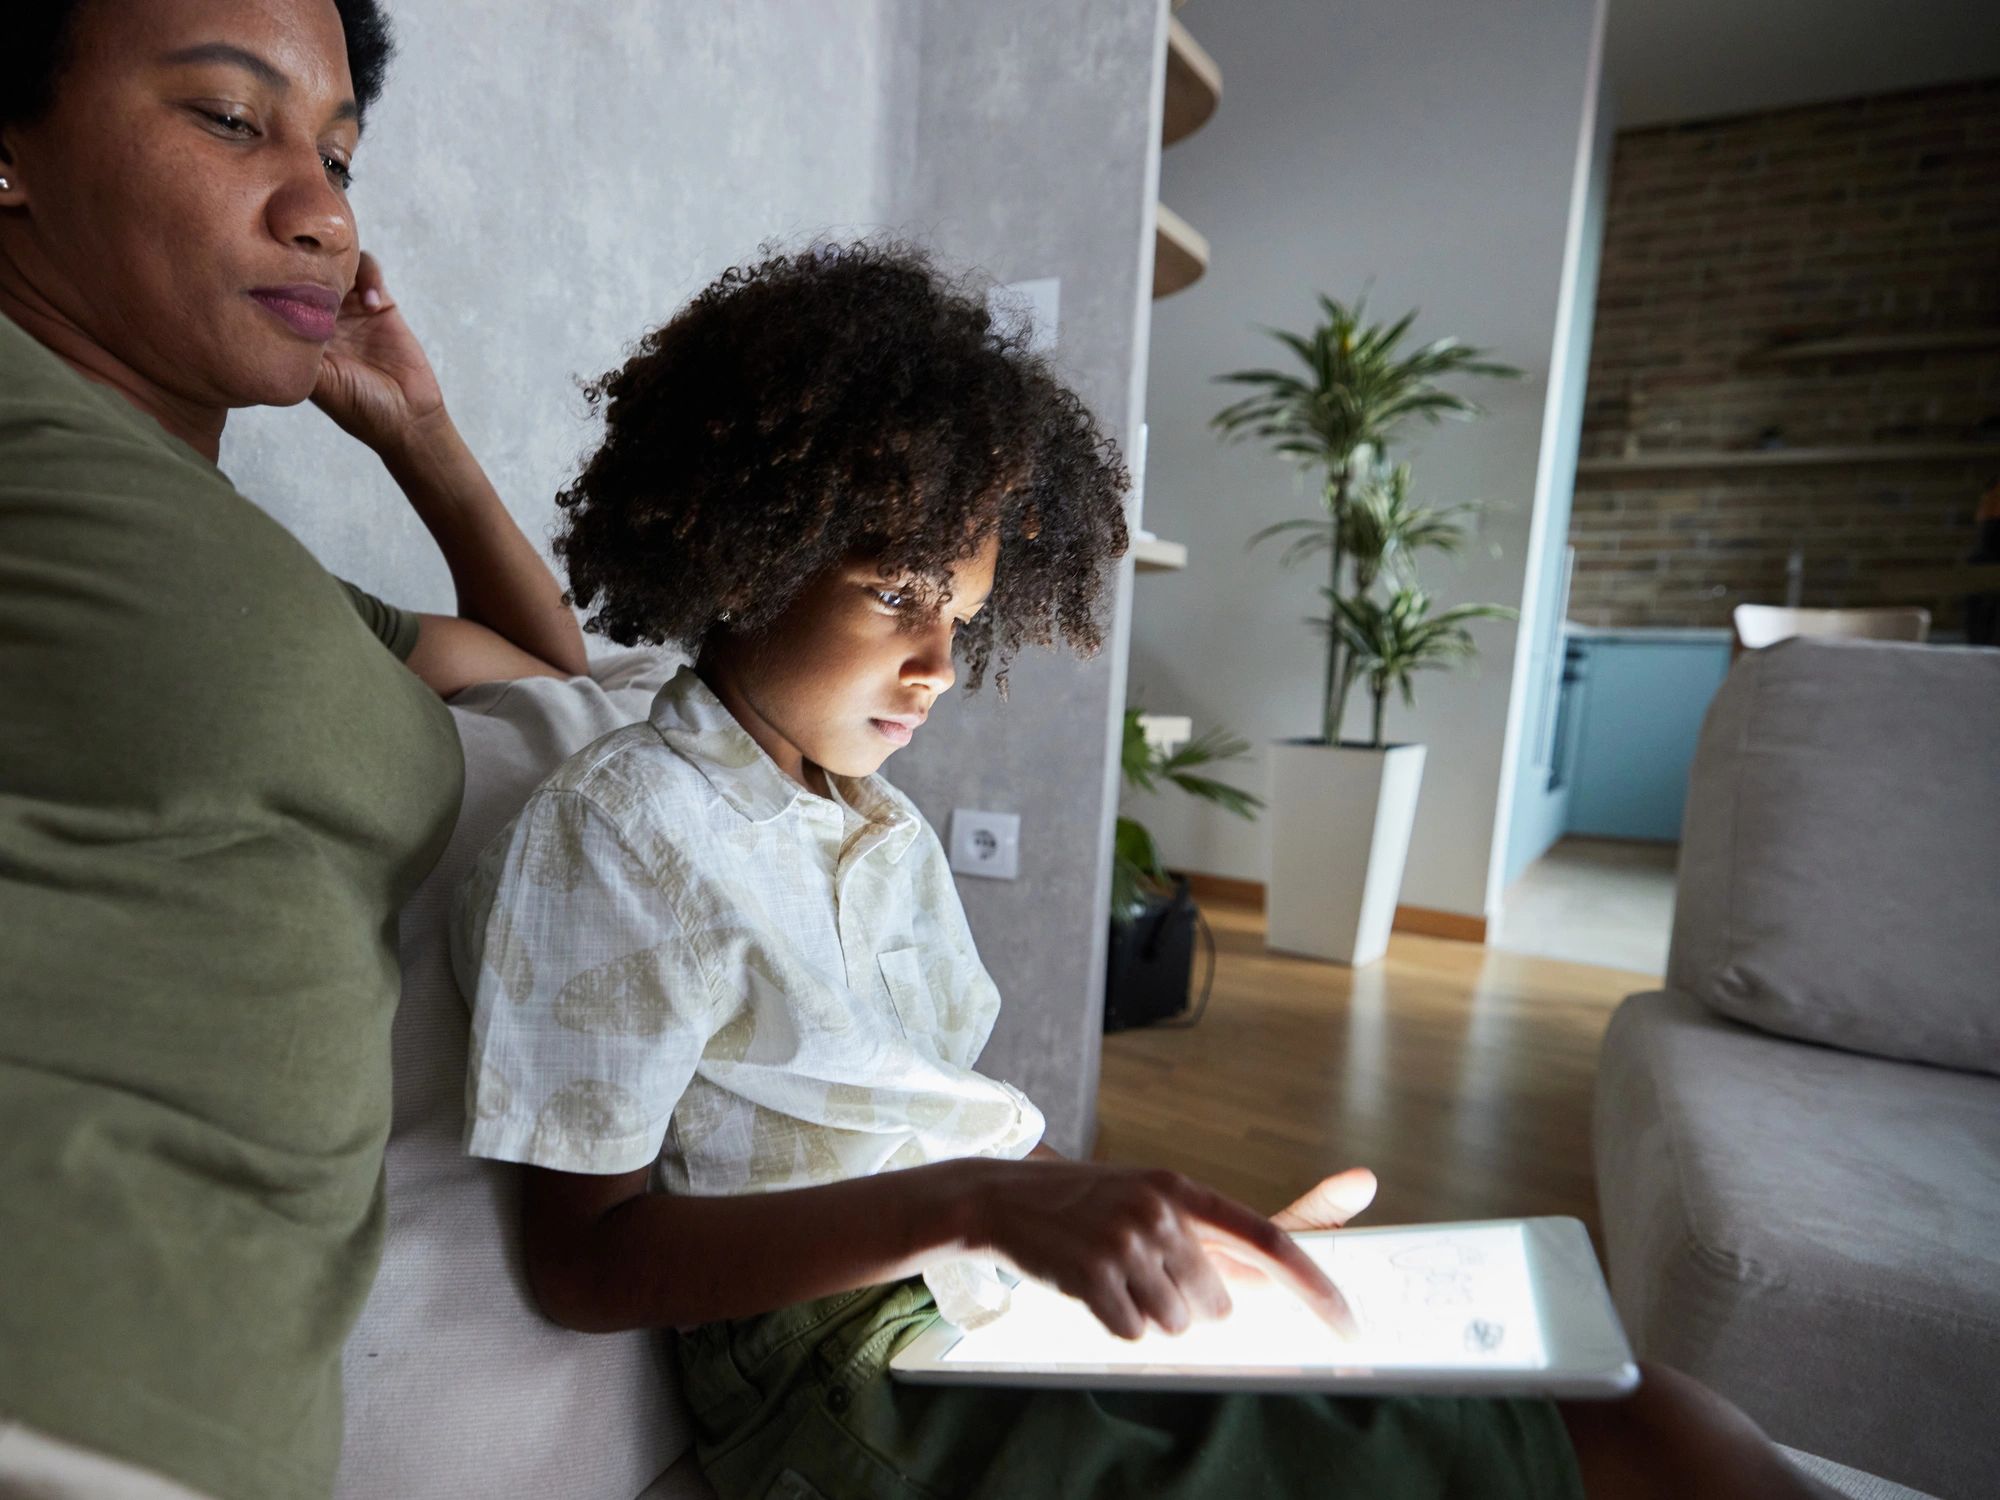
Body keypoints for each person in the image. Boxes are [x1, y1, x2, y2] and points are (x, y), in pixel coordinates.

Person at [452, 244, 1829, 1500]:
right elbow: (585, 1261)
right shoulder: (626, 828)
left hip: (977, 1301)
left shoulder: (880, 830)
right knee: (1652, 1444)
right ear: (746, 550)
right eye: (896, 597)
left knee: (1636, 1412)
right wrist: (985, 1205)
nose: (939, 667)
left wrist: (1158, 1233)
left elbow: (937, 1122)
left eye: (966, 618)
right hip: (863, 1391)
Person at [0, 2, 586, 1497]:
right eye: (227, 117)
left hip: (217, 1431)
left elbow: (554, 695)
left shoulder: (259, 573)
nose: (322, 211)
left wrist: (423, 439)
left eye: (337, 153)